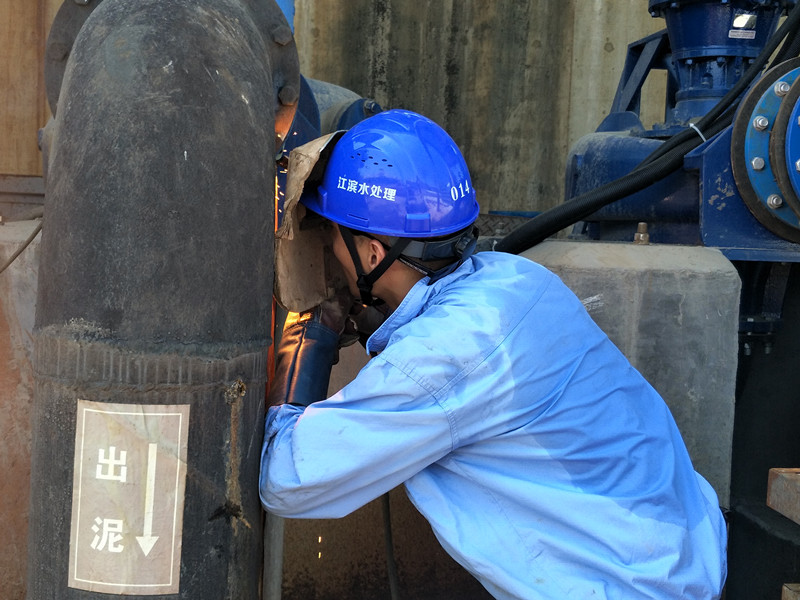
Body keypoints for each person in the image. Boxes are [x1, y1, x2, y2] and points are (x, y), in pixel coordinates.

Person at [259, 109, 728, 599]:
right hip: (686, 557)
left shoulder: (439, 360)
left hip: (630, 587)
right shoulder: (519, 280)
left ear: (373, 254)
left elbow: (287, 479)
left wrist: (309, 335)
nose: (329, 250)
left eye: (332, 235)